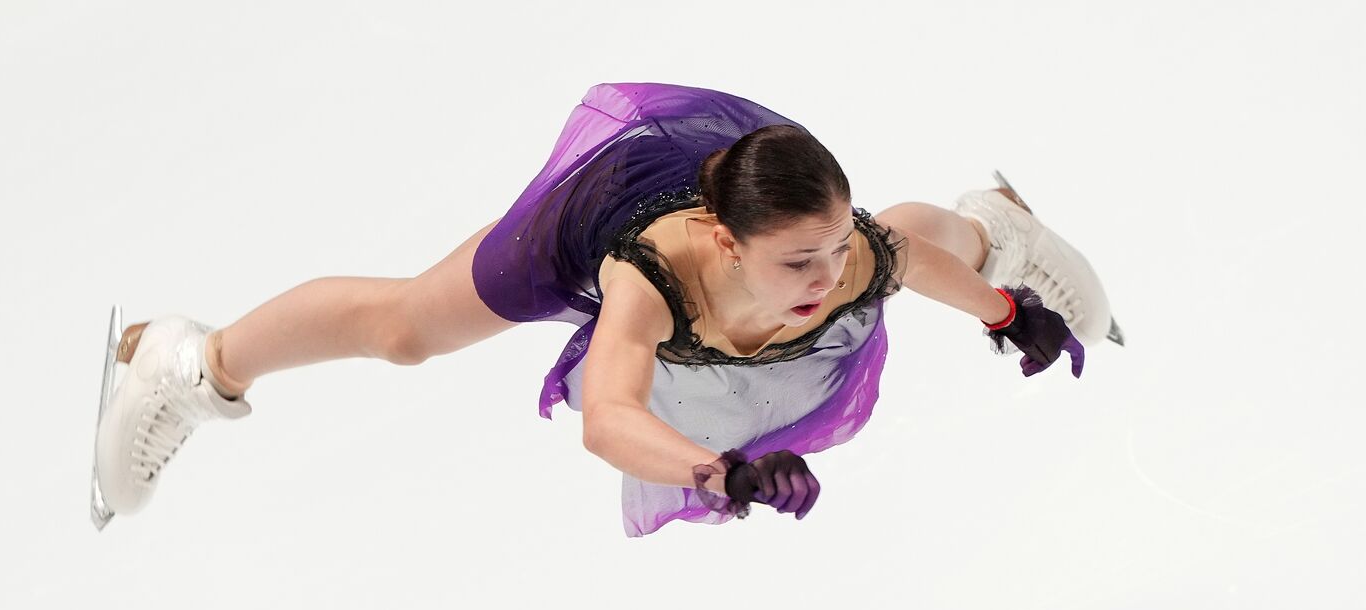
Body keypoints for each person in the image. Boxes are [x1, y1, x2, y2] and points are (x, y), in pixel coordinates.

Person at [89, 82, 1115, 537]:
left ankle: (996, 223)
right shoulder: (648, 278)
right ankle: (185, 362)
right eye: (798, 259)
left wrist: (999, 312)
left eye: (831, 251)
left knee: (902, 235)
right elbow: (609, 417)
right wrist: (718, 469)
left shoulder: (848, 258)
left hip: (790, 208)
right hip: (593, 210)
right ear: (725, 240)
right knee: (405, 332)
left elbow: (902, 258)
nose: (826, 275)